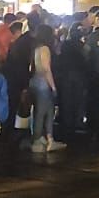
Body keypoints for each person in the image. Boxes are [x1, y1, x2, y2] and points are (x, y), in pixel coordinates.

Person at [28, 22, 64, 153]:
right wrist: (53, 86)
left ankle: (47, 138)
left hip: (34, 82)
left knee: (45, 111)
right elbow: (46, 69)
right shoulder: (45, 49)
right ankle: (39, 139)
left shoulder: (35, 48)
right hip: (43, 83)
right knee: (43, 112)